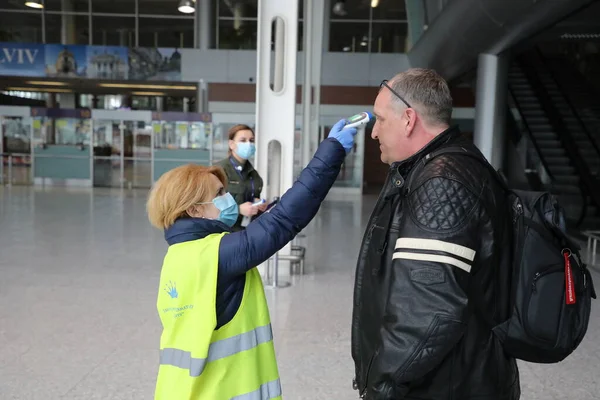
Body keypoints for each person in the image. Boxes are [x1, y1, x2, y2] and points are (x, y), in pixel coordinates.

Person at [147, 119, 358, 400]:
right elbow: (285, 220)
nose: (228, 199)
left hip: (179, 390)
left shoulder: (179, 253)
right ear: (196, 210)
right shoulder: (219, 253)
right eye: (219, 194)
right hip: (219, 391)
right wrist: (331, 151)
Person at [351, 68, 519, 399]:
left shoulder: (441, 183)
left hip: (447, 386)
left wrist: (382, 386)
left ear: (409, 120)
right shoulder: (448, 166)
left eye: (380, 119)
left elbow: (428, 310)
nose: (373, 132)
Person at [216, 124, 268, 231]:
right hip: (223, 231)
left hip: (246, 231)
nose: (248, 144)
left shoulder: (254, 175)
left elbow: (249, 197)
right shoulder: (219, 170)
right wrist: (238, 209)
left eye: (251, 140)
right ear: (231, 144)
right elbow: (209, 203)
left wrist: (258, 204)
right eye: (243, 140)